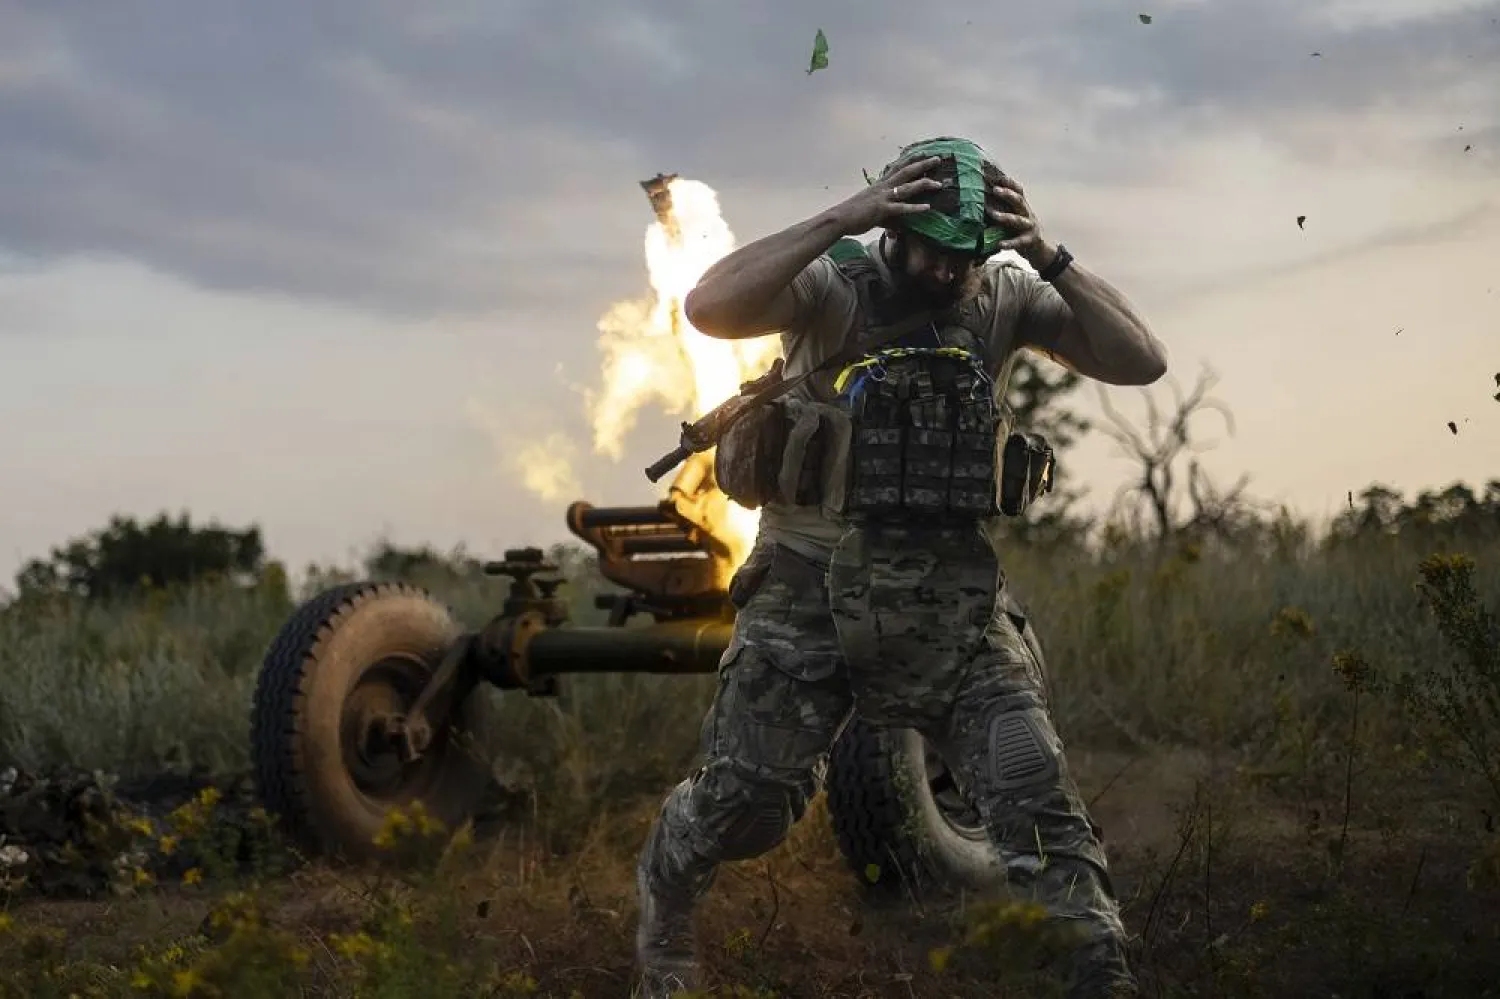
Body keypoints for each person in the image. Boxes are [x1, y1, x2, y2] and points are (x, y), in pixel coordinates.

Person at [633, 136, 1167, 999]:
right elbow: (709, 306)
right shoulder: (830, 283)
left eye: (968, 253)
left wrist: (1043, 252)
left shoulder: (1003, 292)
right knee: (747, 805)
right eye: (934, 249)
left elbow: (1141, 359)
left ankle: (1098, 974)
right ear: (894, 223)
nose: (950, 271)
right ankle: (664, 902)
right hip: (808, 586)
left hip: (952, 601)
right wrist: (846, 214)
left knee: (1036, 801)